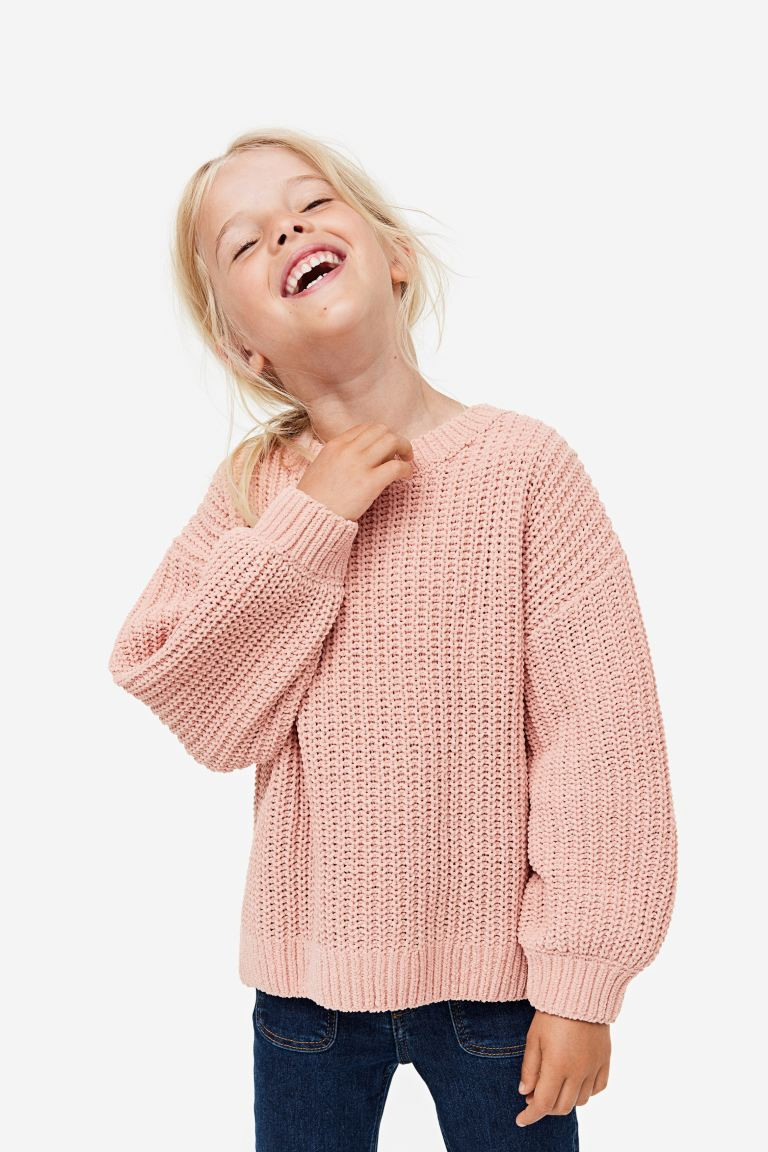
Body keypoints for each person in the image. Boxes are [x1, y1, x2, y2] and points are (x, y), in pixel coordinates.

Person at [108, 128, 678, 1150]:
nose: (286, 231)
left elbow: (602, 744)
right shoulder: (256, 495)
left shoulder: (524, 470)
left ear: (396, 255)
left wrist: (584, 980)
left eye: (310, 205)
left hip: (505, 992)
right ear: (245, 348)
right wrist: (311, 521)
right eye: (245, 243)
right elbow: (192, 698)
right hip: (308, 996)